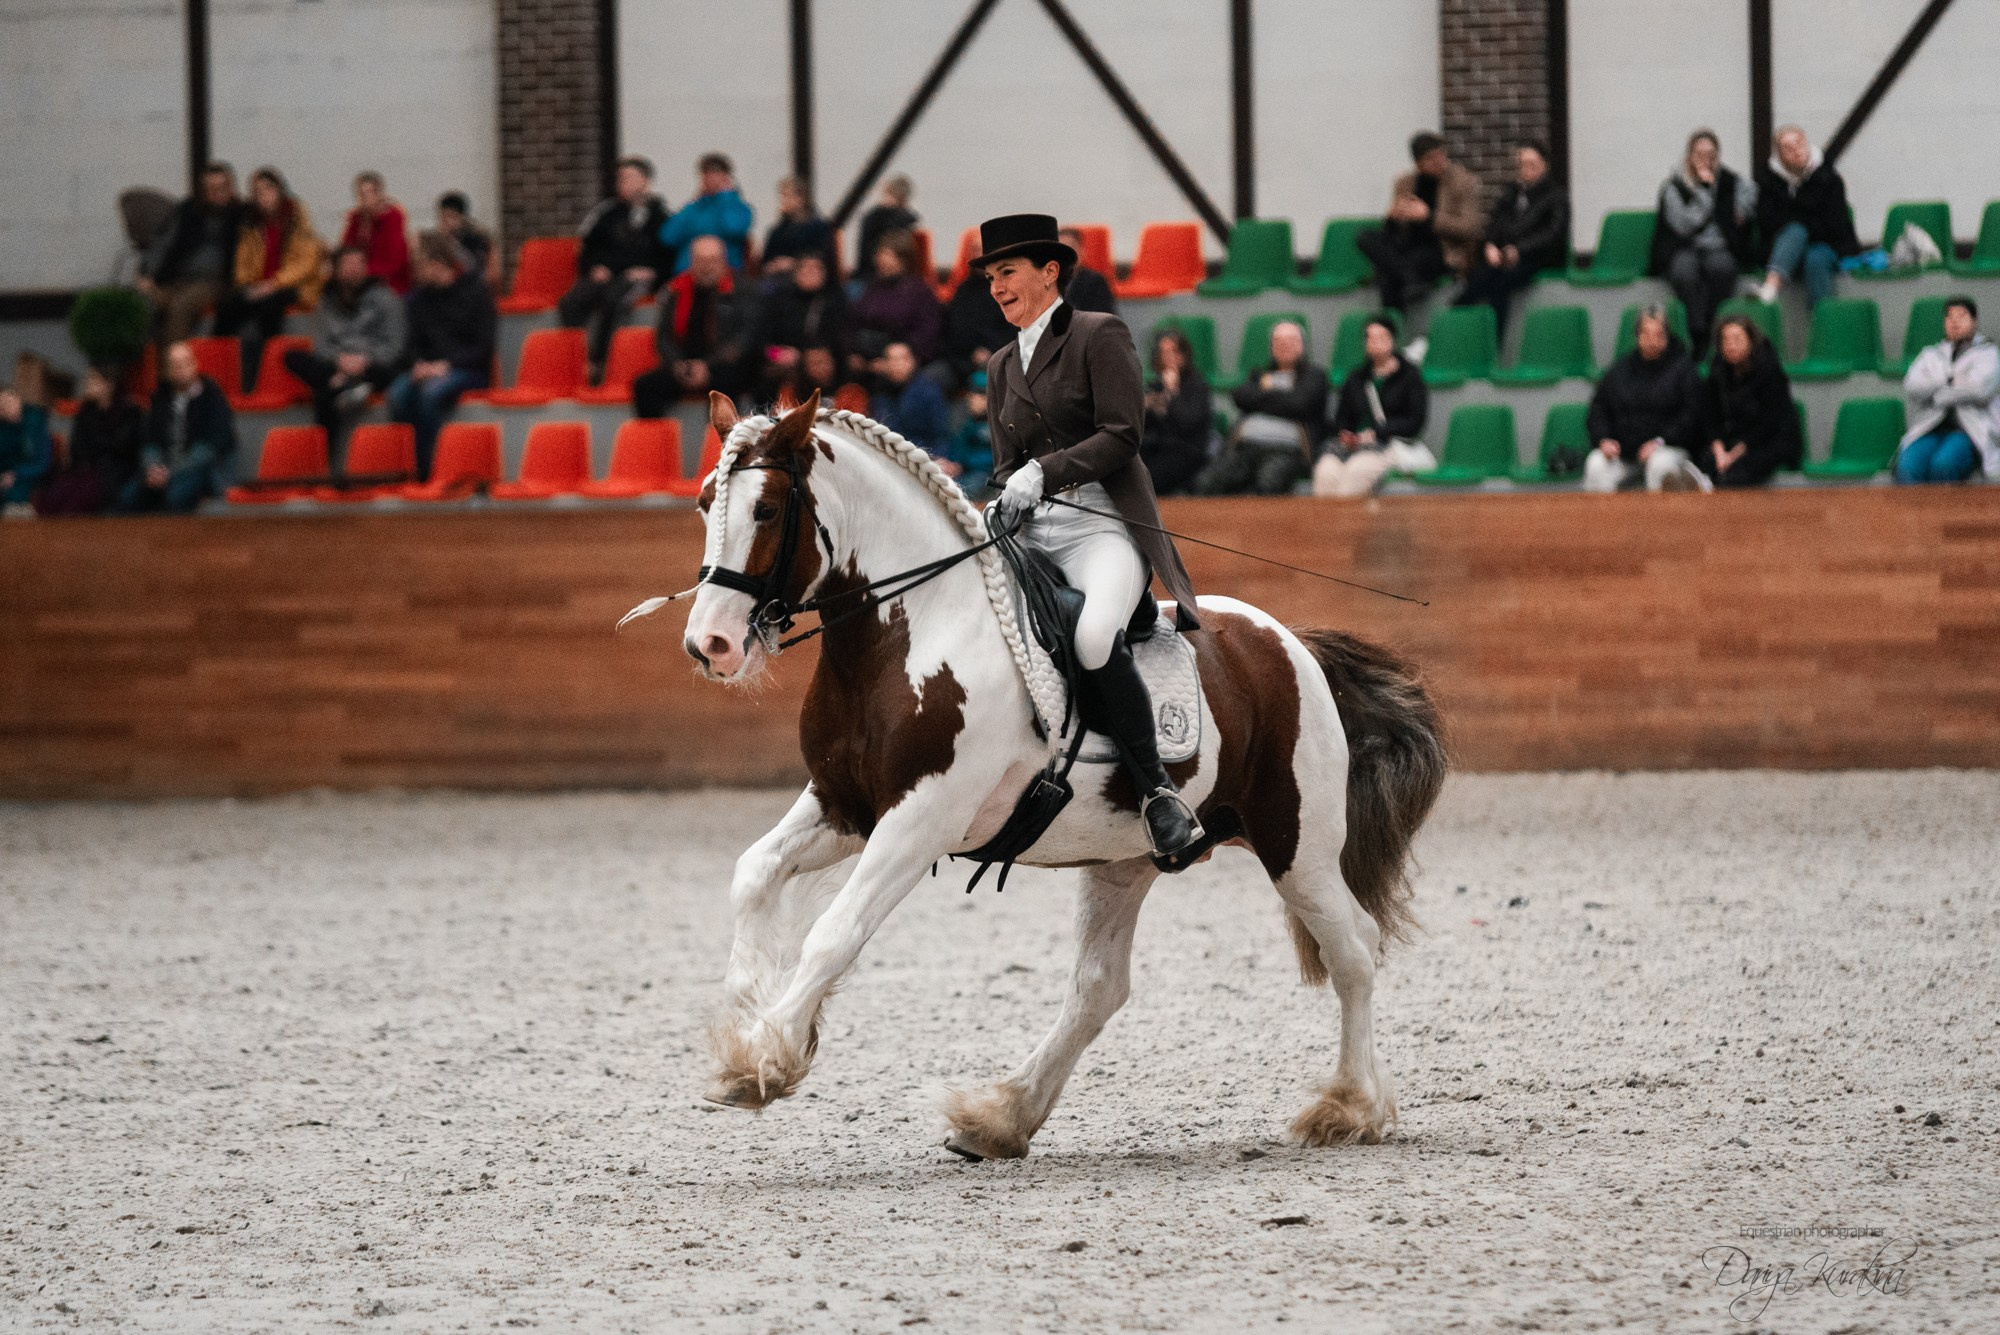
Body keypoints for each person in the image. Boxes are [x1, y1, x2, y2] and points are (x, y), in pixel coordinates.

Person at [974, 213, 1204, 859]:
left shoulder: (1099, 334)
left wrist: (1042, 471)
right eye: (991, 277)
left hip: (1101, 522)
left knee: (1092, 636)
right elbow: (1003, 462)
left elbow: (1122, 433)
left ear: (1050, 272)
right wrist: (1004, 497)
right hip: (1035, 530)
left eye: (1008, 272)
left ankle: (1158, 792)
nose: (997, 287)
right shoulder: (998, 365)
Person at [388, 231, 496, 478]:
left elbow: (483, 348)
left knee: (428, 394)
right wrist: (418, 365)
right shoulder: (417, 300)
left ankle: (428, 472)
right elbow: (411, 345)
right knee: (397, 394)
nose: (413, 270)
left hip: (468, 369)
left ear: (436, 264)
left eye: (419, 263)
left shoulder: (476, 292)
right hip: (429, 369)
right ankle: (409, 465)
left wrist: (444, 366)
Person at [558, 156, 671, 382]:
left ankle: (599, 363)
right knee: (570, 301)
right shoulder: (606, 213)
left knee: (614, 301)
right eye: (620, 178)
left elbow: (668, 255)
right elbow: (588, 247)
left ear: (645, 181)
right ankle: (571, 363)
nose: (623, 183)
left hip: (637, 277)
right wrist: (594, 267)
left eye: (629, 177)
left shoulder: (663, 216)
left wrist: (653, 272)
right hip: (606, 274)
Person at [212, 166, 326, 391]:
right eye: (257, 191)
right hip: (259, 284)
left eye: (268, 189)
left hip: (292, 284)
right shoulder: (251, 223)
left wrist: (273, 284)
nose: (264, 196)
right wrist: (248, 286)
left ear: (280, 190)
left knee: (268, 309)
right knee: (227, 306)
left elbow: (306, 263)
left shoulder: (297, 217)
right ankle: (217, 371)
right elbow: (242, 263)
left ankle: (256, 381)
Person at [283, 245, 408, 446]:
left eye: (359, 263)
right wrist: (339, 361)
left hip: (373, 363)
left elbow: (395, 346)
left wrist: (364, 360)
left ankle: (344, 385)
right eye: (348, 264)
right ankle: (344, 383)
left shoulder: (387, 299)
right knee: (292, 356)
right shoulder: (326, 301)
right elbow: (321, 345)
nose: (354, 269)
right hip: (338, 363)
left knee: (326, 394)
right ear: (336, 269)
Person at [1653, 130, 1759, 355]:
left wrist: (1742, 207)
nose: (1705, 159)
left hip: (1718, 246)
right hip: (1683, 246)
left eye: (1711, 154)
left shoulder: (1729, 181)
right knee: (1684, 272)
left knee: (1723, 268)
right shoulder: (1673, 187)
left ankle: (1713, 322)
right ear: (1689, 156)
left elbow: (1751, 195)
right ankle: (1697, 329)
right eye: (1699, 154)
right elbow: (1683, 224)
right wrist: (1703, 192)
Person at [1193, 321, 1328, 496]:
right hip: (1246, 447)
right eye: (1279, 341)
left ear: (1302, 345)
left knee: (1268, 484)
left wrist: (1263, 396)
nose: (1285, 345)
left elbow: (1300, 404)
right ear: (1271, 347)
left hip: (1286, 450)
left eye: (1291, 340)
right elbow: (1240, 396)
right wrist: (1283, 398)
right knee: (1205, 482)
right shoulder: (1260, 374)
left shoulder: (1314, 375)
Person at [1356, 132, 1485, 314]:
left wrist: (1429, 217)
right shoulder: (1405, 183)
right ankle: (1408, 276)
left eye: (1441, 155)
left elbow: (1471, 228)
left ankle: (1393, 327)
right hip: (1407, 246)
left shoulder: (1463, 182)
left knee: (1389, 277)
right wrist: (1393, 217)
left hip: (1442, 250)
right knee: (1365, 237)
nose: (1438, 161)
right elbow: (1392, 232)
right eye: (1430, 159)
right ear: (1418, 163)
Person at [1583, 306, 1708, 492]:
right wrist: (1604, 439)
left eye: (1658, 334)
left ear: (1666, 336)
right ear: (1637, 336)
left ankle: (1659, 520)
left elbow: (1692, 416)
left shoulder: (1684, 370)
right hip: (1624, 453)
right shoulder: (1619, 370)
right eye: (1646, 334)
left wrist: (1661, 441)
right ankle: (1603, 520)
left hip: (1669, 449)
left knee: (1659, 464)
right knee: (1596, 464)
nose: (1652, 341)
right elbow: (1598, 409)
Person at [632, 235, 755, 419]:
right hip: (683, 364)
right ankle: (659, 444)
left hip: (724, 364)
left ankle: (718, 443)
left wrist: (708, 366)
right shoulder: (675, 290)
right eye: (701, 261)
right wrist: (677, 365)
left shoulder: (743, 290)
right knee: (644, 386)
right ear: (691, 262)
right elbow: (663, 337)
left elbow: (745, 338)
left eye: (713, 261)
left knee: (725, 383)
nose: (707, 267)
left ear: (723, 261)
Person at [1454, 141, 1567, 337]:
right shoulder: (1511, 193)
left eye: (1533, 164)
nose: (1527, 169)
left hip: (1538, 257)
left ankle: (1490, 340)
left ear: (1544, 164)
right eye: (1522, 164)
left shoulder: (1556, 196)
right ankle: (1455, 324)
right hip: (1504, 256)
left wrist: (1519, 250)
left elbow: (1553, 234)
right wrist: (1490, 245)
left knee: (1500, 282)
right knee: (1478, 275)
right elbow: (1495, 222)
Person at [1312, 316, 1433, 498]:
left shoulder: (1409, 376)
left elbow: (1415, 421)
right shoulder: (1356, 378)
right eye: (1370, 338)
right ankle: (1324, 526)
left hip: (1386, 445)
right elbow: (1342, 417)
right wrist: (1346, 434)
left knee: (1355, 473)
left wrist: (1377, 433)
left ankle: (1345, 526)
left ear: (1393, 340)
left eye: (1381, 337)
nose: (1376, 343)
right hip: (1349, 447)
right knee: (1325, 471)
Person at [116, 341, 237, 513]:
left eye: (184, 364)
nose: (179, 370)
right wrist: (153, 466)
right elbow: (149, 439)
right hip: (163, 467)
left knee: (176, 497)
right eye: (174, 365)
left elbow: (211, 446)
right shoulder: (160, 397)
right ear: (167, 370)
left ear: (195, 365)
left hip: (199, 468)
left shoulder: (212, 396)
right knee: (128, 497)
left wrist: (170, 471)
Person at [1751, 125, 1860, 307]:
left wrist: (1800, 221)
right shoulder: (1768, 181)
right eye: (1788, 148)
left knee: (1814, 257)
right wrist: (1800, 223)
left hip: (1828, 244)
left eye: (1800, 144)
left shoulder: (1829, 178)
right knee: (1795, 230)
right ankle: (1772, 286)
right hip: (1785, 246)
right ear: (1779, 155)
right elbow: (1766, 222)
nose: (1796, 151)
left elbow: (1836, 225)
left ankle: (1823, 319)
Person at [136, 161, 241, 347]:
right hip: (175, 278)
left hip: (214, 282)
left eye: (220, 188)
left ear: (231, 187)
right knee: (143, 302)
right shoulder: (187, 210)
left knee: (180, 306)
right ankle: (138, 368)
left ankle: (173, 371)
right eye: (210, 188)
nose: (215, 193)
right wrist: (147, 274)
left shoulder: (242, 215)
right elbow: (163, 243)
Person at [1894, 296, 1997, 484]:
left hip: (1967, 431)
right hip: (1930, 428)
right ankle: (1914, 514)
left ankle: (1943, 514)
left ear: (1974, 322)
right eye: (1949, 317)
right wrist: (1950, 380)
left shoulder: (1988, 353)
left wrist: (1937, 393)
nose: (1954, 321)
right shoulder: (1930, 354)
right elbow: (1912, 385)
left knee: (1944, 464)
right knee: (1907, 466)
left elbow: (1979, 388)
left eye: (1961, 315)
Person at [1698, 315, 1800, 488]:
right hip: (1732, 439)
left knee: (1736, 475)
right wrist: (1719, 450)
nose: (1730, 345)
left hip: (1768, 440)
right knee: (1707, 464)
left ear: (1751, 341)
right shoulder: (1718, 370)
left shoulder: (1770, 371)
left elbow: (1770, 422)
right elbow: (1710, 415)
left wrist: (1733, 455)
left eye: (1737, 339)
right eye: (1725, 340)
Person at [33, 367, 146, 516]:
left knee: (76, 502)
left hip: (114, 471)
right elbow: (78, 446)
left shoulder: (129, 411)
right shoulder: (87, 411)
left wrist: (95, 447)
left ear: (109, 384)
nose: (88, 384)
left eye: (93, 379)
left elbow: (122, 447)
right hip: (85, 469)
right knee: (52, 498)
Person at [753, 251, 848, 402]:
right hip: (784, 361)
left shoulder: (836, 301)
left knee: (820, 365)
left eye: (816, 268)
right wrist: (778, 354)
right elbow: (762, 339)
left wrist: (804, 356)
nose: (809, 273)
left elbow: (840, 340)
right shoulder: (780, 301)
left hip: (823, 359)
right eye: (803, 268)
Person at [850, 229, 943, 376]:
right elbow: (853, 323)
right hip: (867, 359)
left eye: (887, 255)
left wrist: (893, 360)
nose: (880, 260)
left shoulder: (919, 291)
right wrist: (853, 353)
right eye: (879, 255)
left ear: (903, 260)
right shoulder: (871, 289)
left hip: (904, 362)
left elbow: (927, 334)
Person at [1139, 327, 1212, 496]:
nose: (1168, 358)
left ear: (1184, 355)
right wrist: (1145, 407)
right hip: (1158, 446)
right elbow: (1142, 427)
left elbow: (1187, 423)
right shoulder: (1155, 385)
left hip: (1187, 450)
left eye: (1173, 352)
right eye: (1164, 353)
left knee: (1149, 480)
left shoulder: (1196, 384)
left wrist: (1172, 392)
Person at [659, 153, 754, 274]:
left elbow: (734, 229)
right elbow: (667, 237)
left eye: (716, 174)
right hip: (687, 274)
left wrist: (726, 196)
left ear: (726, 177)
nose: (710, 179)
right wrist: (694, 202)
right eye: (706, 174)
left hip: (725, 275)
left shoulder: (738, 208)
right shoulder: (693, 208)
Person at [939, 254, 1013, 391]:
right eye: (974, 250)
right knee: (931, 380)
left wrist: (991, 350)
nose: (979, 256)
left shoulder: (1009, 291)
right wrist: (969, 354)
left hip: (1001, 358)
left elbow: (1015, 330)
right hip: (961, 360)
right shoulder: (963, 290)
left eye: (983, 251)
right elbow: (953, 330)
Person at [870, 341, 952, 460]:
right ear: (884, 364)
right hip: (889, 459)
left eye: (903, 359)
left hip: (925, 459)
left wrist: (939, 458)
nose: (898, 365)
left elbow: (942, 434)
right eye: (892, 360)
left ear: (913, 361)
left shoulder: (929, 391)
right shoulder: (880, 393)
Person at [339, 171, 412, 294]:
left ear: (379, 194)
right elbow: (346, 250)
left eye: (370, 193)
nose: (365, 199)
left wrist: (360, 271)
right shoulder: (356, 220)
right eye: (361, 195)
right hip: (361, 280)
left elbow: (393, 263)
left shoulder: (392, 219)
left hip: (387, 284)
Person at [760, 176, 835, 278]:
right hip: (778, 280)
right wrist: (773, 266)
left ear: (800, 199)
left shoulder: (818, 227)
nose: (783, 201)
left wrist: (793, 263)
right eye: (782, 196)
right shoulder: (776, 231)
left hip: (808, 279)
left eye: (787, 196)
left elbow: (823, 259)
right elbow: (765, 262)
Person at [855, 175, 918, 286]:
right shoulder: (907, 220)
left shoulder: (871, 218)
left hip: (868, 275)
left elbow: (863, 256)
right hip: (889, 277)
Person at [0, 387, 53, 512]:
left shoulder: (35, 423)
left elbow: (43, 463)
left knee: (14, 508)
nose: (5, 408)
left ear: (17, 399)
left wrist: (16, 474)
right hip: (7, 476)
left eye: (8, 402)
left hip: (30, 479)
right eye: (1, 406)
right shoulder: (4, 429)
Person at [946, 369, 995, 493]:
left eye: (980, 396)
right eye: (972, 395)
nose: (973, 400)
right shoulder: (965, 418)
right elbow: (957, 445)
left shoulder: (998, 424)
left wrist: (965, 462)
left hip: (986, 478)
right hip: (963, 473)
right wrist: (954, 463)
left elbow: (996, 460)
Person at [436, 191, 498, 287]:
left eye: (450, 217)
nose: (446, 222)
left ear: (461, 218)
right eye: (442, 218)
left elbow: (485, 272)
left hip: (472, 288)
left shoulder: (476, 240)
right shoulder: (438, 241)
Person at [1058, 226, 1118, 315]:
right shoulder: (1043, 284)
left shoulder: (1095, 282)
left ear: (1082, 252)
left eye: (1071, 247)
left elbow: (1105, 320)